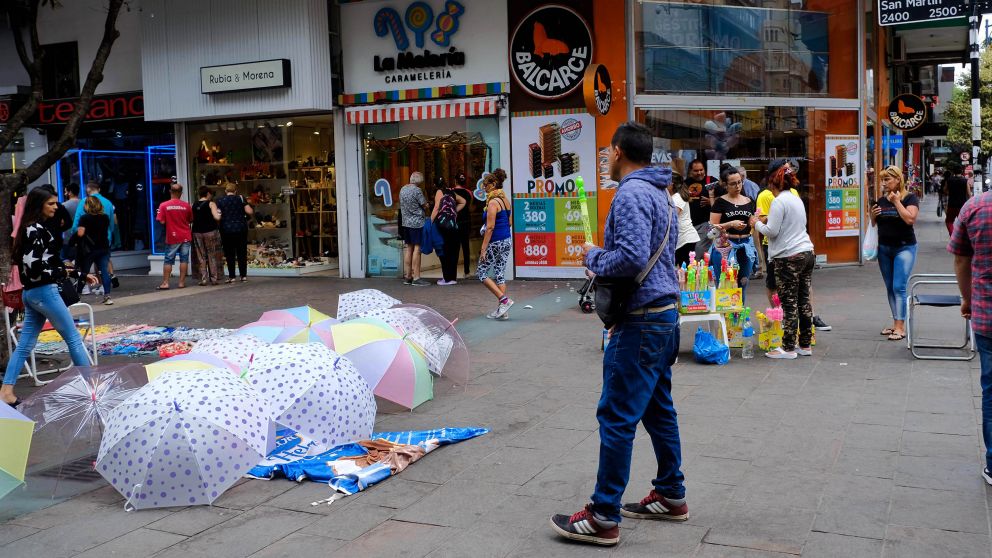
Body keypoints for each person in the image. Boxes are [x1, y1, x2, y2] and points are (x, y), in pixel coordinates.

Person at [550, 122, 685, 547]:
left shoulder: (629, 193)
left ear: (621, 152)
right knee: (658, 408)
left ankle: (603, 514)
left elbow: (629, 258)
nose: (606, 158)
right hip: (664, 315)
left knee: (617, 414)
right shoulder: (661, 194)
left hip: (641, 319)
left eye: (608, 152)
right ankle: (670, 493)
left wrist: (593, 256)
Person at [2, 188, 97, 407]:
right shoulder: (34, 229)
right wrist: (64, 273)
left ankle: (6, 391)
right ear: (39, 205)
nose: (56, 207)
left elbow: (47, 263)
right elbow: (35, 267)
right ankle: (91, 388)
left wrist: (79, 274)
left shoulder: (31, 228)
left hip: (32, 293)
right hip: (44, 292)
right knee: (73, 338)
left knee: (25, 345)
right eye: (51, 204)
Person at [947, 189, 992, 485]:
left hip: (987, 311)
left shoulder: (975, 206)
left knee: (991, 388)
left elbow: (962, 260)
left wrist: (967, 298)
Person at [750, 163, 815, 359]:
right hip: (806, 252)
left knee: (788, 302)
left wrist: (756, 223)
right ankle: (805, 344)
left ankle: (787, 347)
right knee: (803, 300)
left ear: (773, 182)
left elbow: (772, 232)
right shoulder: (796, 199)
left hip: (788, 257)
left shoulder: (779, 202)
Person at [869, 165, 919, 341]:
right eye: (882, 179)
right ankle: (896, 322)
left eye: (887, 179)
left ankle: (900, 326)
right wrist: (872, 215)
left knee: (899, 286)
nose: (884, 183)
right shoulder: (880, 201)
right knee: (890, 287)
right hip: (884, 249)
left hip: (904, 247)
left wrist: (897, 201)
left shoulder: (910, 198)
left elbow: (910, 219)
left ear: (898, 179)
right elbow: (875, 224)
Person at [708, 166, 756, 296]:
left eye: (739, 182)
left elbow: (752, 222)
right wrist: (730, 224)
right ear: (725, 185)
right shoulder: (720, 202)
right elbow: (712, 229)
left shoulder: (748, 201)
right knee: (725, 286)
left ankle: (739, 315)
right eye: (733, 183)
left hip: (745, 244)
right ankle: (724, 316)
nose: (737, 186)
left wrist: (756, 221)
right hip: (725, 245)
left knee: (743, 284)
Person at [477, 169, 514, 319]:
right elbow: (510, 223)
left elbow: (490, 227)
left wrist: (483, 248)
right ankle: (502, 311)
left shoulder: (492, 202)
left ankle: (504, 300)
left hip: (495, 241)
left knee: (481, 273)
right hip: (506, 240)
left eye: (485, 185)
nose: (484, 188)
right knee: (499, 274)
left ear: (493, 184)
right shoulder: (505, 200)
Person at [71, 182, 117, 292]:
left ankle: (84, 288)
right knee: (103, 267)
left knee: (85, 268)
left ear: (87, 190)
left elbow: (76, 226)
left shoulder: (84, 202)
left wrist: (75, 238)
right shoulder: (108, 203)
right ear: (99, 189)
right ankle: (105, 291)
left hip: (88, 244)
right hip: (105, 240)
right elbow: (112, 224)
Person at [74, 196, 114, 305]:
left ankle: (77, 296)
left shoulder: (84, 218)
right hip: (103, 247)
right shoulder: (105, 217)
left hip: (89, 249)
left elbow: (80, 233)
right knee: (104, 271)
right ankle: (107, 296)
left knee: (84, 272)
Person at [155, 183, 194, 290]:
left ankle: (166, 283)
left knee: (168, 260)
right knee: (184, 259)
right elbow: (191, 220)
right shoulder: (187, 205)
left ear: (170, 192)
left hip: (172, 236)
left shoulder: (163, 205)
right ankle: (181, 283)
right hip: (186, 235)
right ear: (181, 193)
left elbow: (161, 221)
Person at [430, 176, 467, 285]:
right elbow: (463, 201)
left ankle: (446, 278)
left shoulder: (439, 192)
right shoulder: (451, 192)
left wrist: (430, 222)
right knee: (453, 251)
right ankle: (452, 278)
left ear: (435, 185)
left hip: (443, 225)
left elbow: (437, 207)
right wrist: (453, 211)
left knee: (444, 251)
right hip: (453, 225)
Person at [215, 182, 254, 283]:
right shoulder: (241, 198)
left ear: (225, 191)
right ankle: (243, 276)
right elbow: (250, 212)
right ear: (235, 191)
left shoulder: (220, 200)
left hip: (226, 229)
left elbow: (218, 216)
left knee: (229, 253)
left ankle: (232, 276)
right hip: (241, 228)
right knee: (242, 252)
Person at [399, 172, 430, 286]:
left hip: (406, 223)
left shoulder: (403, 189)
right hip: (417, 223)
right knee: (417, 248)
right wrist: (427, 204)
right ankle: (416, 277)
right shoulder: (417, 191)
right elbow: (424, 205)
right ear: (420, 182)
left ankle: (408, 276)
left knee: (409, 248)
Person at [192, 186, 223, 286]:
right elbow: (216, 217)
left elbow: (191, 219)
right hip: (210, 231)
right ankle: (214, 278)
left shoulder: (193, 204)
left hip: (197, 232)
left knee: (200, 255)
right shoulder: (211, 203)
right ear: (208, 193)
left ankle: (203, 279)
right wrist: (220, 213)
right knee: (212, 254)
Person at [669, 169, 699, 266]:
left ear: (672, 184)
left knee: (685, 271)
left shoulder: (677, 197)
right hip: (683, 238)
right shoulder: (675, 196)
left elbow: (671, 215)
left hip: (685, 239)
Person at [452, 172, 474, 277]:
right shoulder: (469, 193)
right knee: (466, 247)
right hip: (466, 222)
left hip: (454, 222)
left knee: (454, 248)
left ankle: (453, 272)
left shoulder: (450, 192)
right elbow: (470, 208)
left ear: (455, 181)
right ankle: (467, 271)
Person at [944, 163, 971, 235]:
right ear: (961, 171)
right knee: (963, 223)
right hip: (962, 205)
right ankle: (963, 239)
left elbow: (945, 191)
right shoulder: (965, 181)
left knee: (949, 221)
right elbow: (969, 194)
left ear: (953, 171)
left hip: (951, 205)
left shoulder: (949, 180)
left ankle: (952, 235)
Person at [61, 182, 81, 262]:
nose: (65, 193)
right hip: (81, 236)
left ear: (70, 192)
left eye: (66, 191)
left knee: (64, 258)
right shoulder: (84, 203)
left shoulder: (64, 205)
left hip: (68, 237)